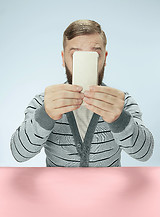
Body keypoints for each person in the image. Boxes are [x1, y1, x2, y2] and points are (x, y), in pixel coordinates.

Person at [10, 19, 154, 167]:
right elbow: (19, 153)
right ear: (63, 58)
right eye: (75, 56)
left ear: (105, 58)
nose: (85, 64)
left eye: (94, 55)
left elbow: (144, 153)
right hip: (58, 189)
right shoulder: (44, 101)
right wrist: (45, 115)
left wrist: (120, 119)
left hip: (108, 189)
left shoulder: (121, 102)